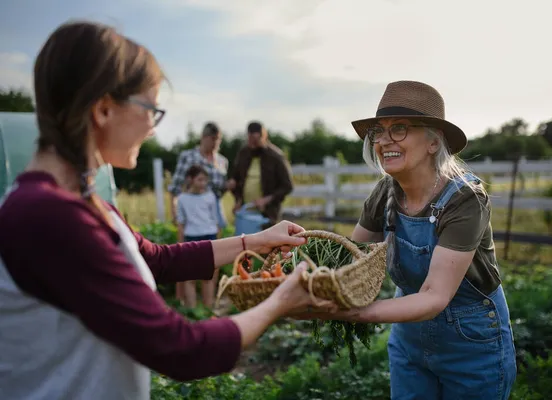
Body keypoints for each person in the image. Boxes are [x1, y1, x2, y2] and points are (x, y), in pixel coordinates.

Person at [0, 20, 335, 400]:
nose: (153, 128)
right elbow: (180, 349)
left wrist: (254, 242)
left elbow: (157, 260)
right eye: (151, 110)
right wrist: (280, 302)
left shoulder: (82, 201)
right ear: (104, 109)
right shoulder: (50, 217)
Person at [296, 81, 517, 399]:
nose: (384, 141)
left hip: (472, 342)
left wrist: (352, 313)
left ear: (433, 141)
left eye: (399, 128)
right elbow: (349, 261)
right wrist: (301, 272)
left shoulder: (464, 199)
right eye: (378, 131)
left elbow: (434, 297)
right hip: (409, 337)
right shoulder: (385, 193)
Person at [176, 164, 226, 309]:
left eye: (205, 180)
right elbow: (181, 223)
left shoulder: (210, 197)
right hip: (191, 238)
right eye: (199, 180)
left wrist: (219, 239)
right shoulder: (182, 199)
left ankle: (208, 309)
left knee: (208, 276)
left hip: (209, 236)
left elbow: (216, 220)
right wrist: (180, 244)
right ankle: (192, 310)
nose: (203, 183)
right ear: (190, 180)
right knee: (190, 277)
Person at [228, 121, 293, 227]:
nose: (253, 145)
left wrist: (267, 200)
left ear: (264, 137)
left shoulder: (276, 156)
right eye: (250, 141)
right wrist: (238, 198)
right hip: (246, 211)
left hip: (267, 214)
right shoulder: (243, 153)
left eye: (256, 141)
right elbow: (236, 178)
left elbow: (287, 186)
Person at [168, 121, 229, 228]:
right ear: (203, 137)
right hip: (193, 210)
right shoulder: (188, 156)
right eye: (212, 139)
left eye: (218, 139)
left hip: (214, 211)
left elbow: (221, 190)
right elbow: (175, 187)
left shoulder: (222, 161)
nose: (216, 143)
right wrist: (175, 213)